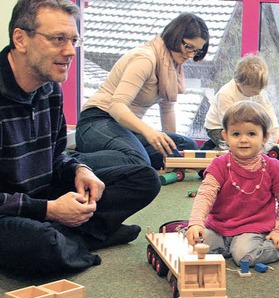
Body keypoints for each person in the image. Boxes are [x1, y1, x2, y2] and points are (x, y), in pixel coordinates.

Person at [0, 0, 161, 276]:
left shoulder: (50, 88)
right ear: (20, 38)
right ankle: (81, 236)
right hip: (8, 211)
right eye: (58, 39)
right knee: (42, 244)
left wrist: (79, 169)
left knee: (146, 178)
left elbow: (56, 157)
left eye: (74, 40)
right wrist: (49, 210)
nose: (69, 51)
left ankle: (68, 237)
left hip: (43, 195)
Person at [73, 13, 207, 170]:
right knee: (138, 161)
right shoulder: (145, 59)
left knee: (187, 146)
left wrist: (170, 153)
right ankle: (69, 161)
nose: (190, 55)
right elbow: (116, 106)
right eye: (188, 47)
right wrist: (149, 132)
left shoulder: (171, 65)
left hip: (125, 130)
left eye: (196, 51)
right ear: (174, 37)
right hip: (97, 121)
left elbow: (167, 108)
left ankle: (121, 154)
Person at [185, 100, 279, 267]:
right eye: (236, 134)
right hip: (219, 228)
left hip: (253, 228)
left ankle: (276, 244)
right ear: (226, 136)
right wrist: (196, 222)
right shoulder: (219, 165)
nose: (243, 140)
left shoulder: (272, 167)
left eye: (251, 134)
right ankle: (228, 246)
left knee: (243, 256)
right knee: (192, 245)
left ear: (265, 136)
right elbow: (205, 195)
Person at [202, 53, 279, 151]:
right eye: (253, 91)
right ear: (240, 83)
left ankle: (213, 145)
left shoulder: (258, 91)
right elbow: (228, 123)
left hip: (243, 126)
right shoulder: (226, 94)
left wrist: (275, 133)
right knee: (233, 147)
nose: (257, 94)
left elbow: (268, 110)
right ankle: (214, 149)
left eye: (260, 90)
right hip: (218, 127)